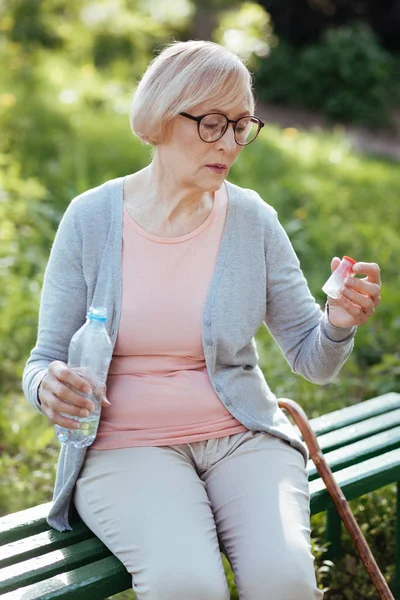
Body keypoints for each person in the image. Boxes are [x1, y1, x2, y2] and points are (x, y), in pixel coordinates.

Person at [23, 40, 381, 600]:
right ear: (161, 120)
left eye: (242, 126)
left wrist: (337, 321)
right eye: (212, 123)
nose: (231, 144)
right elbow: (42, 362)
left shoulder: (253, 220)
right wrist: (49, 388)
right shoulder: (91, 219)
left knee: (285, 581)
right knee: (187, 585)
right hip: (127, 445)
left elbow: (314, 362)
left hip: (242, 439)